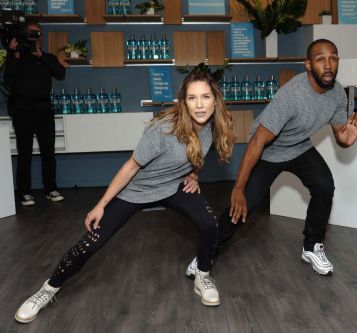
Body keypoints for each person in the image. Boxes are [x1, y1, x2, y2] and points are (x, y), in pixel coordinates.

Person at [14, 71, 236, 323]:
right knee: (92, 242)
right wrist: (100, 205)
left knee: (209, 224)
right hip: (137, 190)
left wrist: (194, 175)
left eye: (205, 97)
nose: (199, 104)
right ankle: (47, 290)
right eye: (192, 98)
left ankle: (202, 273)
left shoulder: (214, 124)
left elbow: (200, 152)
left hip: (173, 186)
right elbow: (130, 167)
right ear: (183, 102)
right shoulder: (163, 130)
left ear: (215, 100)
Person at [185, 39, 357, 278]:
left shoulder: (337, 94)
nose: (328, 65)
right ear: (308, 65)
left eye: (333, 58)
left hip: (299, 147)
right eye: (321, 60)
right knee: (242, 207)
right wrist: (238, 187)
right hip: (269, 150)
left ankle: (312, 246)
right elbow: (258, 140)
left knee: (324, 186)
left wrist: (347, 138)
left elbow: (341, 133)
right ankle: (207, 253)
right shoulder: (291, 95)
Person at [3, 22, 66, 206]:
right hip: (22, 110)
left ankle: (51, 189)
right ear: (25, 36)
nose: (39, 37)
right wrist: (13, 54)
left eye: (40, 34)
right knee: (25, 152)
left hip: (44, 110)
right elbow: (8, 81)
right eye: (34, 33)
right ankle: (24, 192)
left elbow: (60, 73)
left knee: (48, 152)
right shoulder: (16, 57)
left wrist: (40, 56)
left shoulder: (48, 57)